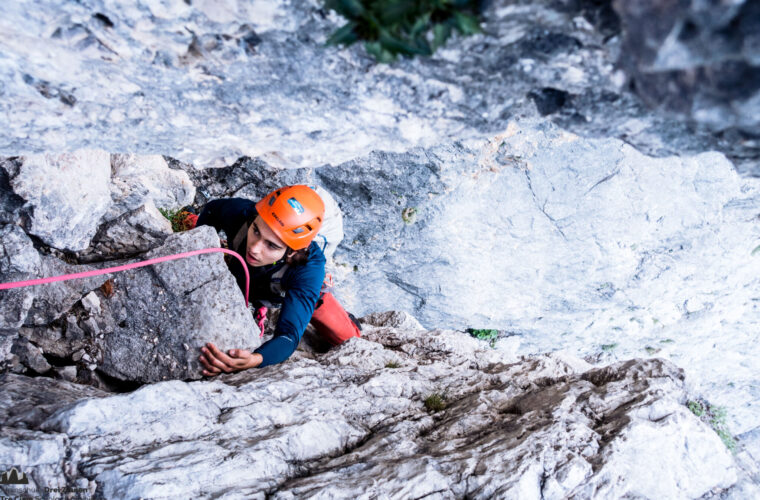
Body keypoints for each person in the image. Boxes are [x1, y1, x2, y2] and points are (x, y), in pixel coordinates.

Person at [194, 185, 328, 376]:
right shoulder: (243, 213)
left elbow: (289, 336)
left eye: (271, 245)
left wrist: (255, 359)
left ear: (292, 250)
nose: (255, 248)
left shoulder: (308, 270)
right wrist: (201, 244)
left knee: (340, 331)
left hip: (282, 289)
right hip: (243, 271)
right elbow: (212, 209)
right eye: (256, 231)